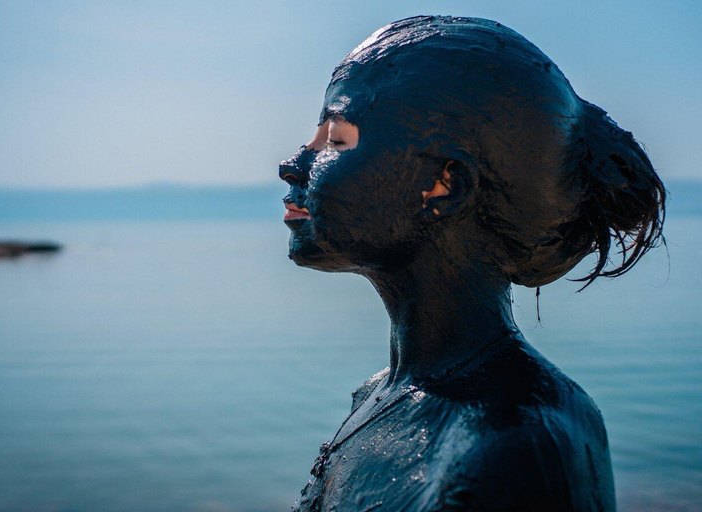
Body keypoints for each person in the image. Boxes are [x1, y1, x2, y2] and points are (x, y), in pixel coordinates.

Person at [278, 15, 665, 512]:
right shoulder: (378, 393)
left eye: (336, 140)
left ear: (445, 184)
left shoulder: (518, 446)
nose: (292, 163)